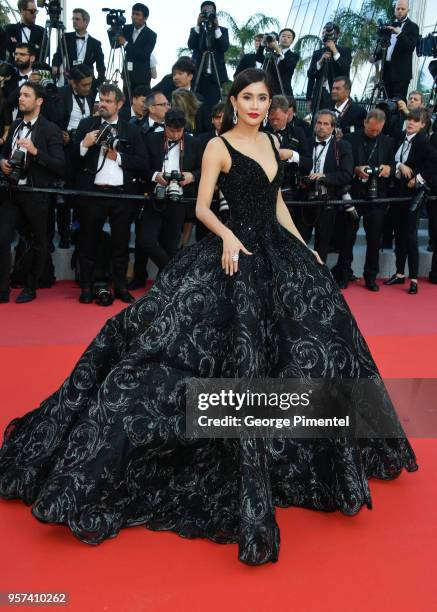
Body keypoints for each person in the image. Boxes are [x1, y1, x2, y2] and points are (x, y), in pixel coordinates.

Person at [0, 69, 417, 566]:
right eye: (249, 97)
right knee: (189, 347)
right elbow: (202, 208)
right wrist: (226, 237)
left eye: (264, 98)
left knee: (319, 338)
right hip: (232, 252)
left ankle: (308, 446)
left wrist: (305, 247)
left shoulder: (272, 142)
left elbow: (277, 202)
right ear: (233, 100)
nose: (258, 105)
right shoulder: (218, 146)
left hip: (276, 253)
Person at [71, 83, 147, 305]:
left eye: (107, 101)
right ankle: (86, 287)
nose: (101, 104)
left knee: (121, 245)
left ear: (120, 104)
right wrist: (84, 145)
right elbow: (71, 162)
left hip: (122, 196)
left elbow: (143, 162)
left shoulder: (132, 130)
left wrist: (120, 158)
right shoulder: (87, 124)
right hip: (93, 194)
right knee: (87, 243)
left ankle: (121, 287)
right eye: (100, 100)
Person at [0, 82, 65, 304]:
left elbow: (60, 166)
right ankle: (2, 289)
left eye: (26, 95)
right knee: (2, 237)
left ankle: (31, 286)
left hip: (36, 194)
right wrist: (2, 162)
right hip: (12, 191)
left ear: (39, 101)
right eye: (20, 95)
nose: (20, 99)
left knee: (39, 241)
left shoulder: (50, 129)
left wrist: (36, 152)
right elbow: (3, 151)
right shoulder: (16, 124)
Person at [332, 109, 395, 291]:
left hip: (378, 197)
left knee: (374, 239)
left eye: (378, 131)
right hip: (354, 194)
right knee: (347, 237)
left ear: (382, 126)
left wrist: (388, 169)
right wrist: (355, 170)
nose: (374, 133)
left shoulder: (388, 142)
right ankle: (344, 274)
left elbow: (392, 165)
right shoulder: (350, 140)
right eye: (371, 129)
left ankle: (370, 277)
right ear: (365, 122)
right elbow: (343, 167)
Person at [138, 108, 202, 270]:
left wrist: (191, 177)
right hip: (155, 196)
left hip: (179, 199)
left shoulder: (194, 142)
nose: (175, 135)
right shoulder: (151, 139)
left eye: (179, 131)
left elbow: (203, 169)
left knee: (171, 246)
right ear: (164, 126)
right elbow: (141, 166)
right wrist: (155, 176)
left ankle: (165, 285)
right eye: (171, 131)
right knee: (146, 240)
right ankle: (172, 272)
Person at [384, 108, 437, 294]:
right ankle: (399, 274)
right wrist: (400, 165)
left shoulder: (423, 141)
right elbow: (391, 158)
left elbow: (434, 162)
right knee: (398, 235)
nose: (411, 123)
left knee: (410, 237)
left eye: (415, 120)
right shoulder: (399, 137)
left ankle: (413, 279)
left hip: (413, 195)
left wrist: (419, 179)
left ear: (422, 124)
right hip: (397, 193)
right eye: (409, 119)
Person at [293, 109, 354, 263]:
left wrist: (324, 177)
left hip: (328, 202)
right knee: (299, 243)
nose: (321, 126)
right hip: (305, 201)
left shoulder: (342, 146)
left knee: (322, 246)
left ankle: (320, 282)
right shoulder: (305, 143)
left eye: (325, 124)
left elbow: (346, 175)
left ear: (332, 127)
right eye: (319, 123)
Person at [376, 0, 420, 101]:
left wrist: (400, 34)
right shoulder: (389, 25)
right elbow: (384, 46)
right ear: (395, 10)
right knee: (384, 104)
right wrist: (375, 57)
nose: (400, 11)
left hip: (401, 75)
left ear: (408, 10)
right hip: (386, 72)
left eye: (402, 9)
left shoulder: (413, 26)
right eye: (398, 9)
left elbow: (411, 47)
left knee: (397, 105)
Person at [188, 1, 229, 107]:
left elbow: (224, 47)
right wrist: (198, 25)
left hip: (215, 77)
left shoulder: (222, 31)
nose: (208, 12)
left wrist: (216, 27)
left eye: (211, 10)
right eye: (205, 10)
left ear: (215, 13)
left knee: (213, 107)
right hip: (198, 75)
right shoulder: (196, 30)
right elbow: (191, 45)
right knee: (197, 106)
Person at [52, 8, 106, 86]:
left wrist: (97, 84)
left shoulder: (95, 43)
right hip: (70, 81)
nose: (74, 21)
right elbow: (58, 55)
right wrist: (55, 65)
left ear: (86, 22)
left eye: (77, 19)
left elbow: (101, 66)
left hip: (87, 83)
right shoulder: (66, 37)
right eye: (73, 19)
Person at [306, 23, 352, 111]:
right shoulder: (318, 53)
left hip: (338, 93)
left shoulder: (345, 51)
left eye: (329, 33)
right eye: (323, 33)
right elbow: (310, 75)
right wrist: (308, 98)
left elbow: (345, 70)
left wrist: (334, 51)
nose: (326, 35)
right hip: (319, 94)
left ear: (337, 35)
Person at [118, 3, 157, 93]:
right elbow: (114, 46)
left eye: (137, 14)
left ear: (145, 17)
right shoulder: (126, 28)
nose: (134, 17)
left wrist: (126, 44)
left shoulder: (151, 35)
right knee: (127, 103)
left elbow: (144, 55)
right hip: (127, 74)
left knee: (141, 104)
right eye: (133, 14)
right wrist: (114, 28)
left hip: (142, 77)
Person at [255, 28, 299, 96]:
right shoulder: (271, 55)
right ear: (279, 38)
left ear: (292, 41)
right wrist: (262, 44)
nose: (285, 38)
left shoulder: (294, 55)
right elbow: (258, 58)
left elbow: (287, 65)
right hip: (269, 92)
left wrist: (277, 48)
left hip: (284, 93)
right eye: (283, 36)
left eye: (288, 37)